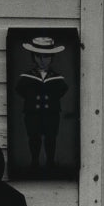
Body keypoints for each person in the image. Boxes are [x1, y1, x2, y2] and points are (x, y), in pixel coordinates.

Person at [15, 36, 68, 173]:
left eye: (46, 57)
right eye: (39, 57)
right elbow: (19, 89)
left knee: (51, 138)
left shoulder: (56, 77)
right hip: (33, 113)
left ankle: (50, 162)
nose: (42, 60)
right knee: (34, 138)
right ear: (33, 57)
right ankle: (35, 162)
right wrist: (32, 99)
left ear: (52, 58)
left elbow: (63, 89)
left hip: (51, 113)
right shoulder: (27, 76)